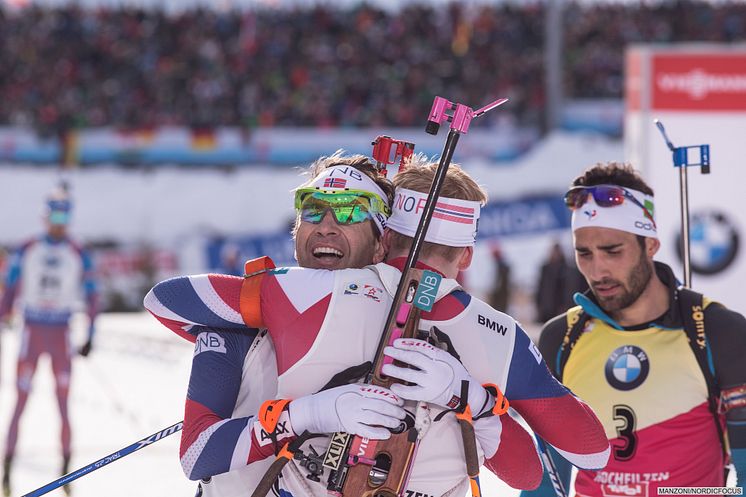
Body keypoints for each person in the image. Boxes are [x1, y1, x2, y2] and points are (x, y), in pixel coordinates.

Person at [145, 159, 610, 496]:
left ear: (383, 238)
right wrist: (474, 400)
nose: (327, 228)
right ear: (467, 255)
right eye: (314, 212)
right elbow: (584, 454)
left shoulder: (301, 291)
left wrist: (259, 338)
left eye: (347, 213)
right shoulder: (499, 333)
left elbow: (164, 299)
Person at [524, 162, 746, 497]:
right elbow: (546, 482)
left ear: (651, 245)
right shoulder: (561, 338)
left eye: (613, 251)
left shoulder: (717, 330)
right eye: (584, 253)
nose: (597, 271)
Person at [0, 187, 98, 497]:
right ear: (45, 216)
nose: (59, 222)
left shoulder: (78, 252)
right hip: (32, 332)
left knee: (63, 403)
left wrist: (90, 336)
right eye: (54, 215)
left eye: (64, 216)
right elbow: (9, 288)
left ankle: (66, 475)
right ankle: (6, 474)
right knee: (20, 402)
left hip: (60, 334)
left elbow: (94, 297)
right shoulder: (28, 248)